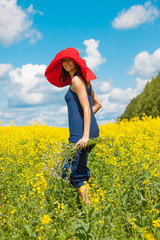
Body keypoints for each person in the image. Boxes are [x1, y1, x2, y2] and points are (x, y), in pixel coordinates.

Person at [45, 48, 102, 204]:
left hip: (81, 135)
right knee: (64, 167)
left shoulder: (77, 80)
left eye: (69, 60)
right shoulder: (85, 81)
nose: (66, 63)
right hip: (89, 131)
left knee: (77, 175)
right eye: (64, 60)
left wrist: (84, 134)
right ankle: (86, 198)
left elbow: (86, 108)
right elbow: (97, 104)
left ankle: (91, 211)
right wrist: (86, 122)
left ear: (76, 62)